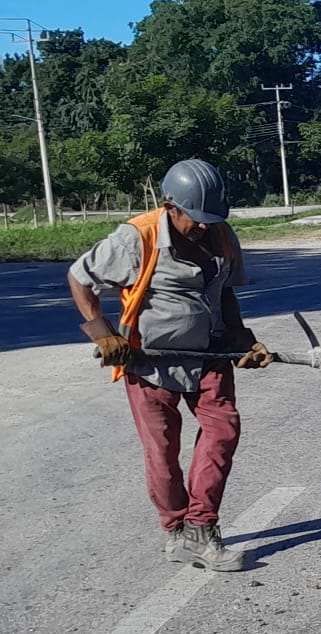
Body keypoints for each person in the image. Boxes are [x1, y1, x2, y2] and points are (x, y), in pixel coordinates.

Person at [67, 158, 272, 572]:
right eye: (194, 218)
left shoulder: (222, 235)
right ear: (170, 206)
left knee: (223, 430)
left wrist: (243, 340)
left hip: (208, 355)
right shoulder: (136, 237)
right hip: (149, 362)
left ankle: (201, 528)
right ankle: (176, 530)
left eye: (210, 219)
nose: (202, 226)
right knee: (162, 452)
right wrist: (103, 333)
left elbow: (226, 293)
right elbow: (80, 277)